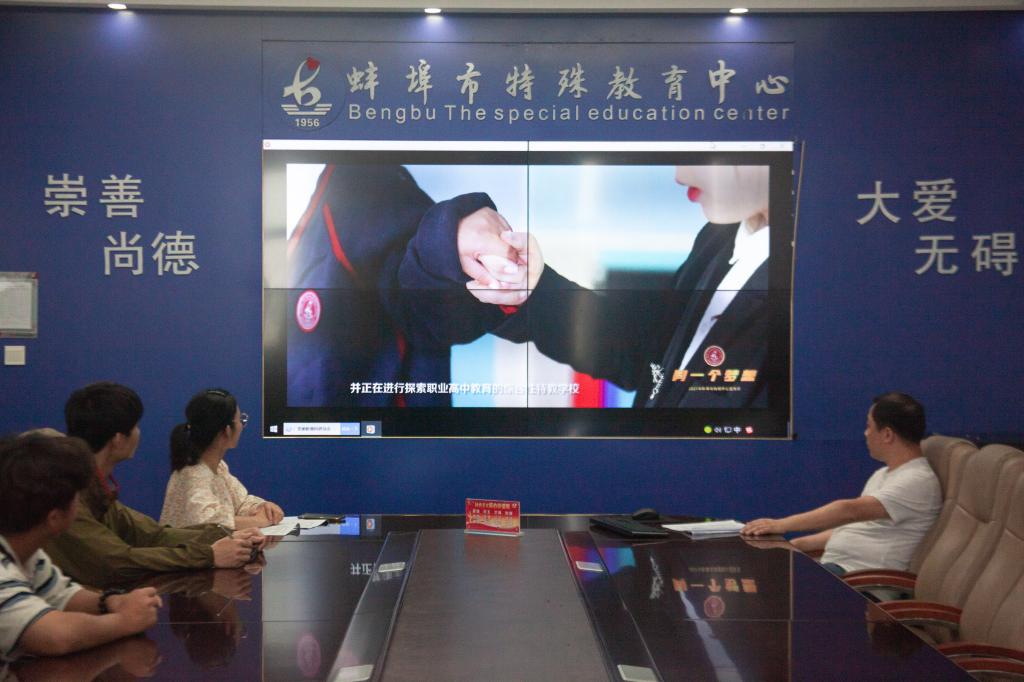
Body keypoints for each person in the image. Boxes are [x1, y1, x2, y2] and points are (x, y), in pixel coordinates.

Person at [455, 165, 783, 407]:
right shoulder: (720, 237)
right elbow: (649, 357)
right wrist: (535, 289)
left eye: (709, 150)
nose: (680, 175)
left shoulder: (806, 290)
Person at [44, 382, 264, 589]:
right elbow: (117, 563)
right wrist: (210, 555)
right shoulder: (67, 495)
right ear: (118, 439)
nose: (139, 433)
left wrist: (228, 536)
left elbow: (154, 535)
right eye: (135, 426)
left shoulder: (95, 489)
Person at [741, 392, 942, 574]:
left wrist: (781, 525)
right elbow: (854, 528)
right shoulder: (883, 474)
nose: (866, 433)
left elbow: (849, 511)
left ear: (887, 434)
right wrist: (796, 545)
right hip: (836, 568)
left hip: (861, 580)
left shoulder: (917, 480)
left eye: (869, 426)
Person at [0, 435, 162, 661]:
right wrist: (124, 621)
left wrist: (113, 601)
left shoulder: (27, 553)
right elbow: (54, 636)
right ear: (55, 518)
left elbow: (62, 595)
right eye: (78, 498)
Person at [160, 388, 284, 530]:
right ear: (227, 430)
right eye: (241, 420)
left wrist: (262, 507)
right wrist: (257, 521)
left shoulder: (218, 467)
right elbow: (208, 523)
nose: (242, 426)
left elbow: (241, 502)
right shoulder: (193, 474)